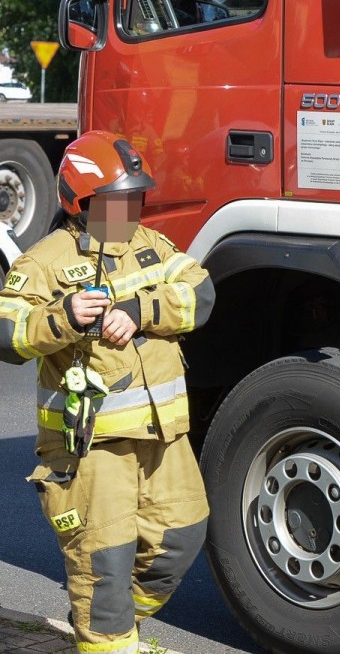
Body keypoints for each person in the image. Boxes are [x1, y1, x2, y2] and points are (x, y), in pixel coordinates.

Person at [0, 130, 214, 654]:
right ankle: (108, 638)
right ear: (83, 200)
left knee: (181, 539)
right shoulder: (46, 260)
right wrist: (64, 318)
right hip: (91, 449)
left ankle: (116, 627)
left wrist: (143, 311)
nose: (130, 210)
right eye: (118, 201)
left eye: (134, 198)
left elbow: (201, 292)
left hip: (164, 438)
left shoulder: (152, 247)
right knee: (104, 571)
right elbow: (7, 332)